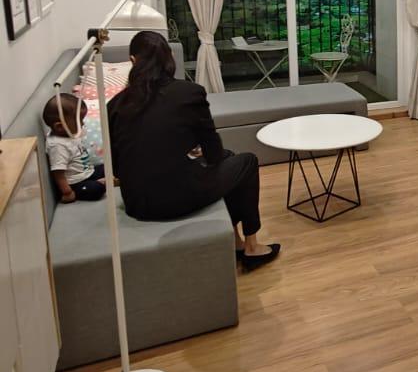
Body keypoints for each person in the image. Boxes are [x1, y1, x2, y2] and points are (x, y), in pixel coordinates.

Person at [107, 31, 280, 272]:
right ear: (169, 59)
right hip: (178, 197)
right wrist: (194, 154)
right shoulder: (189, 93)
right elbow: (214, 152)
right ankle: (252, 246)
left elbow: (116, 167)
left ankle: (236, 241)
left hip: (137, 202)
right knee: (247, 162)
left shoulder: (114, 105)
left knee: (231, 159)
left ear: (133, 61)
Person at [43, 93, 107, 202]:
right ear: (60, 127)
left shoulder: (68, 133)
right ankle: (101, 183)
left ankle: (106, 179)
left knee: (109, 167)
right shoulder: (58, 146)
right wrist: (67, 192)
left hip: (88, 172)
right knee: (96, 190)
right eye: (78, 121)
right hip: (76, 183)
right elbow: (58, 174)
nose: (82, 124)